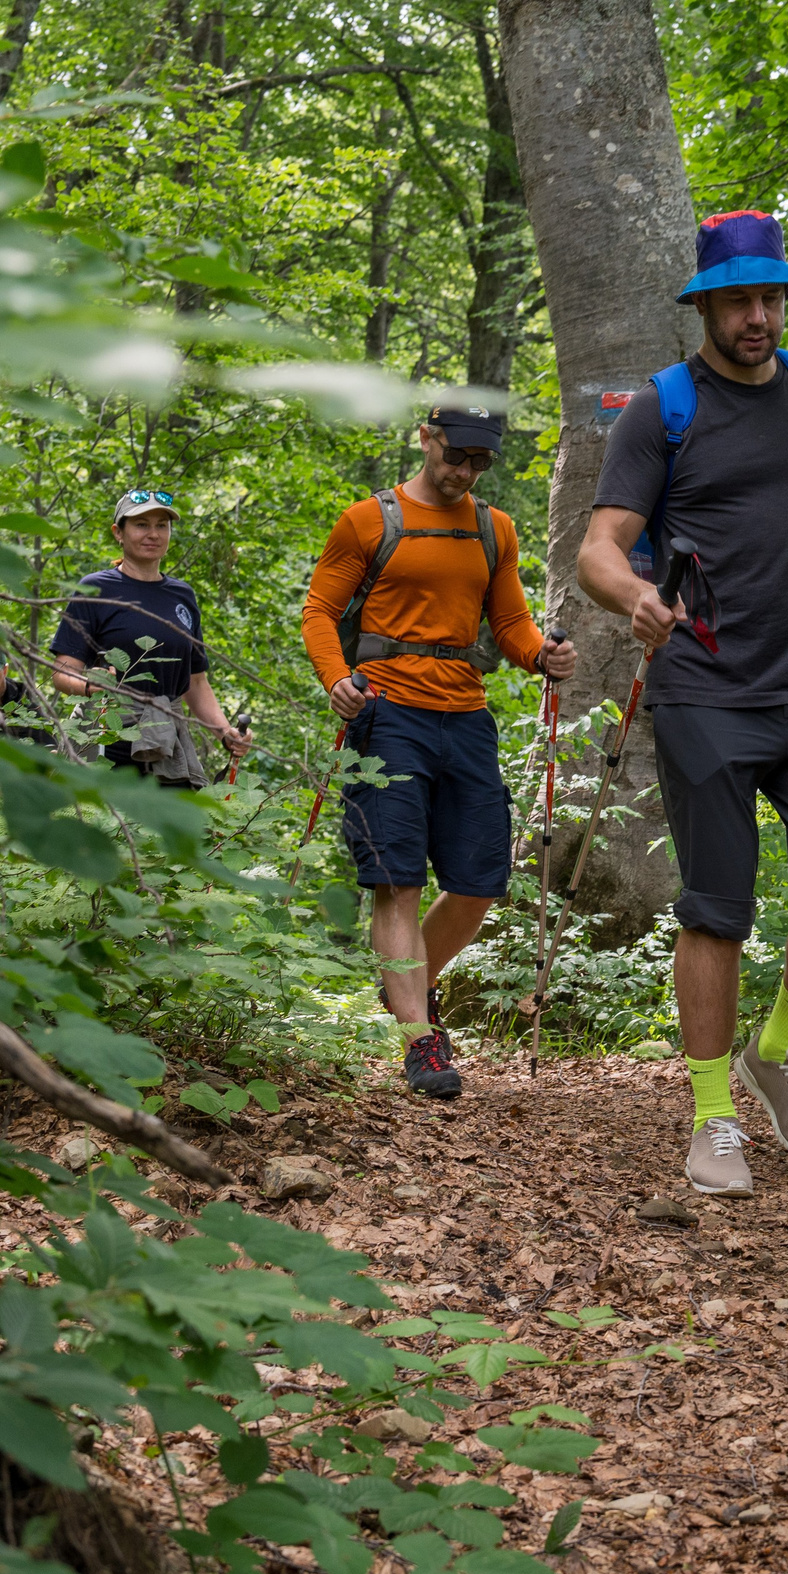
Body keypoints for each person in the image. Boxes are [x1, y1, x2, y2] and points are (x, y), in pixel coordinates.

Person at [578, 210, 788, 1198]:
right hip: (706, 690)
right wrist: (637, 597)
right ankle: (711, 1115)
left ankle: (775, 1053)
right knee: (717, 910)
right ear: (706, 309)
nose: (759, 317)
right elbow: (601, 545)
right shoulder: (663, 409)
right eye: (739, 302)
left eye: (772, 299)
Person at [301, 396, 578, 1100]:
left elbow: (510, 620)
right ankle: (419, 1037)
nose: (465, 471)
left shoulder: (495, 528)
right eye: (455, 454)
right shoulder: (369, 520)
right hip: (387, 712)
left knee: (479, 881)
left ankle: (405, 988)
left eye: (479, 460)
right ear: (425, 438)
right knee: (397, 879)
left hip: (467, 713)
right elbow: (320, 612)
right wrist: (337, 680)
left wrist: (540, 654)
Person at [51, 489, 249, 788]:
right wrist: (91, 686)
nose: (153, 533)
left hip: (167, 739)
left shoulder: (182, 596)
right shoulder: (95, 589)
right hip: (107, 732)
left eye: (161, 525)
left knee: (174, 829)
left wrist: (225, 733)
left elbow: (195, 682)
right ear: (118, 532)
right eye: (141, 525)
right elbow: (62, 672)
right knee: (106, 826)